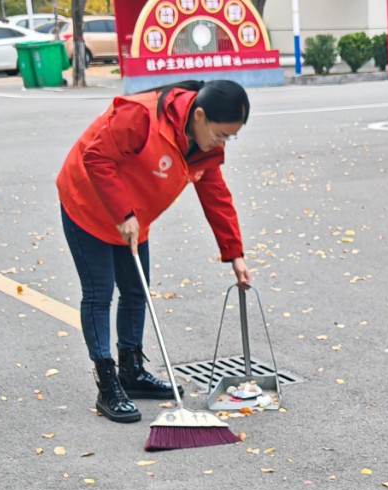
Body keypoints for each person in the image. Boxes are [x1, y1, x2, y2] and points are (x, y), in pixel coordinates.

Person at [55, 78, 252, 423]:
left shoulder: (203, 145)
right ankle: (107, 381)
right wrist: (123, 213)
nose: (223, 142)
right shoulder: (141, 116)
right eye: (221, 134)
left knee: (136, 291)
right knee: (99, 294)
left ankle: (131, 370)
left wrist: (234, 253)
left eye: (230, 137)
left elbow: (215, 195)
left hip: (132, 214)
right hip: (86, 204)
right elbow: (95, 156)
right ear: (200, 116)